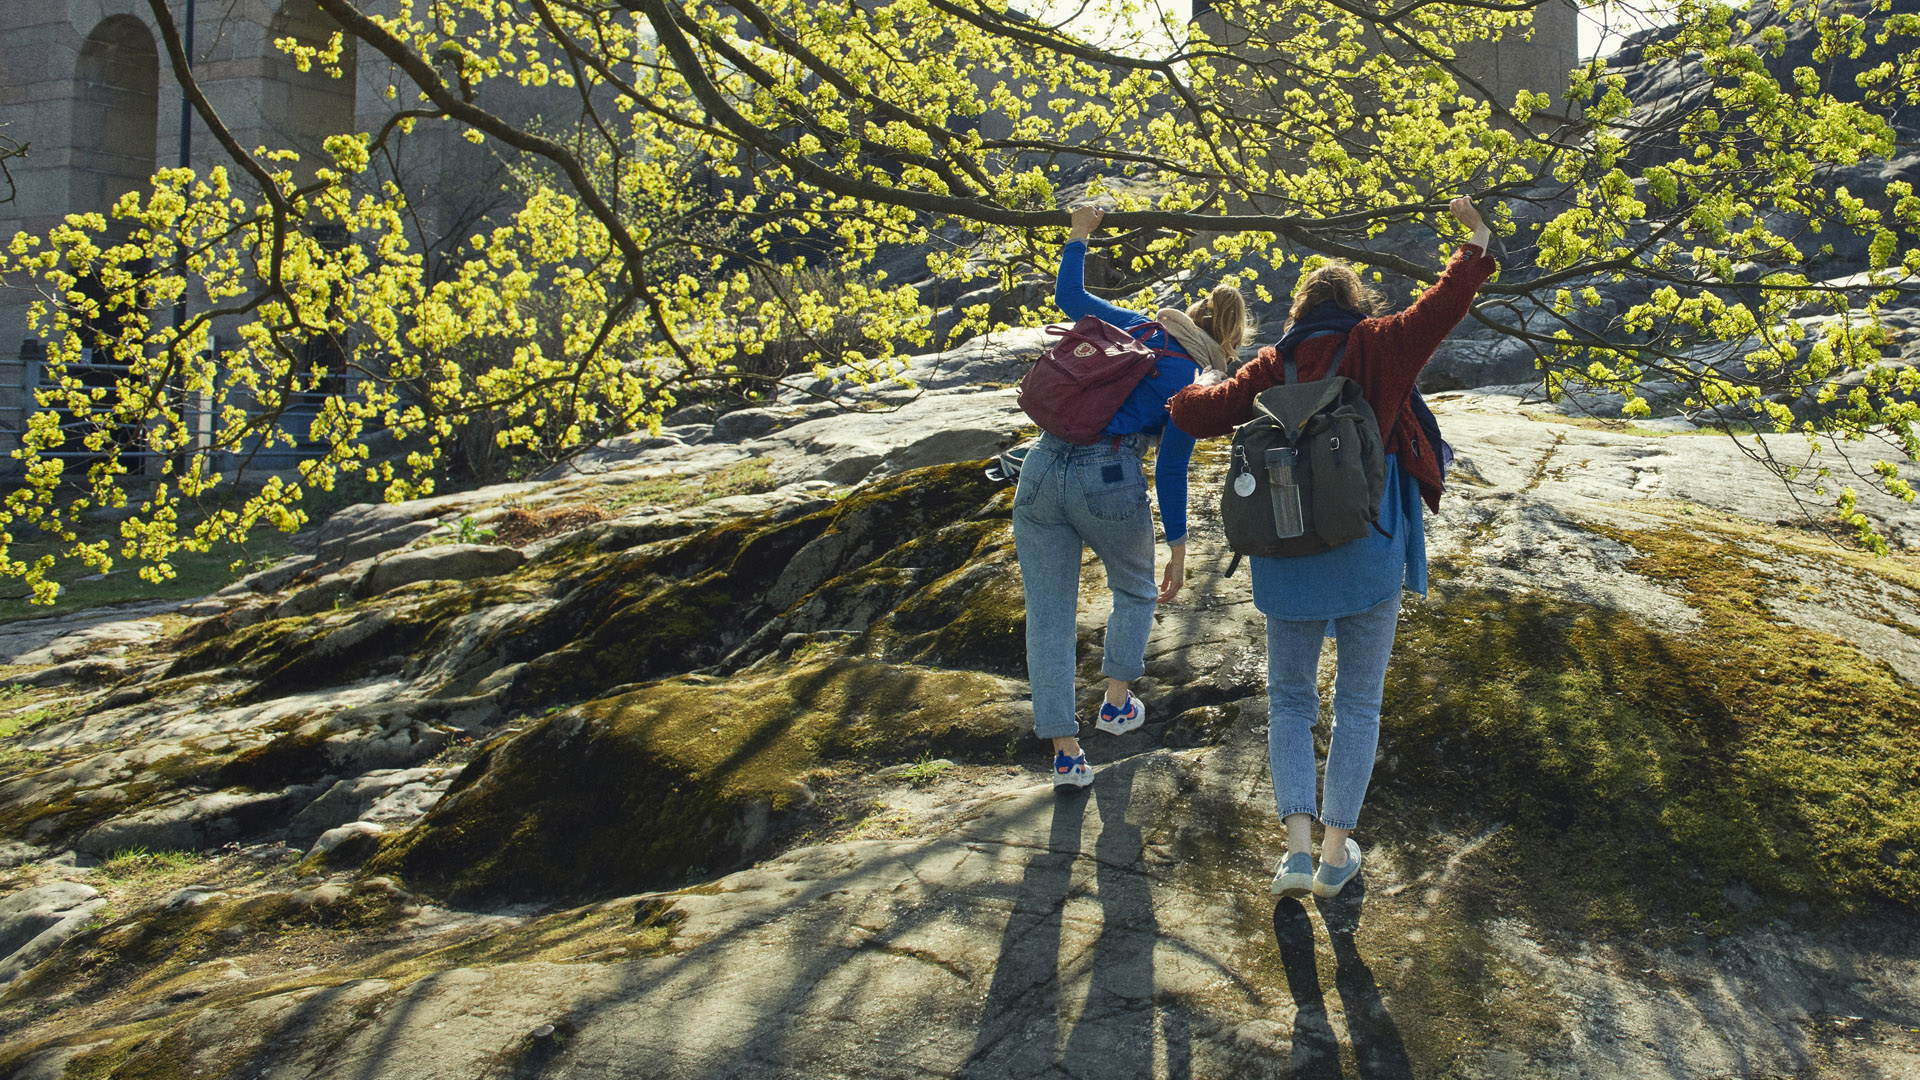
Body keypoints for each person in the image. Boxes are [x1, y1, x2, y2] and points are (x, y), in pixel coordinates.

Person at [1168, 197, 1496, 894]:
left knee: (1289, 699)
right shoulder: (1381, 342)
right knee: (1358, 703)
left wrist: (1201, 374)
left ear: (1297, 313)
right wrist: (1475, 241)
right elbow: (1443, 305)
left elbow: (1192, 416)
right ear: (1356, 303)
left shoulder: (1268, 366)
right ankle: (1336, 852)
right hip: (1366, 549)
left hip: (1286, 553)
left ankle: (1292, 849)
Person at [1017, 204, 1249, 789]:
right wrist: (1177, 544)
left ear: (1190, 315)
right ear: (1228, 340)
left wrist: (1079, 233)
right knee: (1136, 590)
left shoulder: (1141, 325)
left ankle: (1067, 756)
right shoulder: (1196, 379)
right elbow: (1170, 469)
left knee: (1047, 616)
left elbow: (1070, 298)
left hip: (1042, 464)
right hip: (1111, 474)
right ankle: (1117, 702)